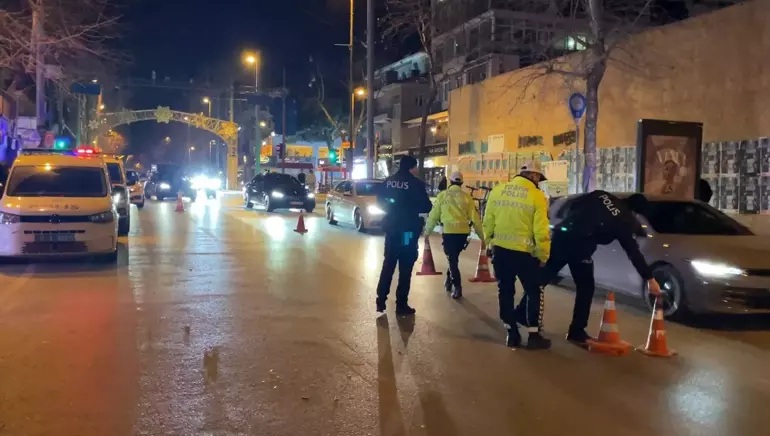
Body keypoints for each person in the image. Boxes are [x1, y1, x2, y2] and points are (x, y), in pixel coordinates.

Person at [540, 191, 662, 345]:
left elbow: (575, 204)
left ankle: (521, 313)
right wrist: (649, 278)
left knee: (546, 275)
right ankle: (577, 331)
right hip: (580, 245)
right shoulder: (624, 220)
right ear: (636, 211)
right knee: (586, 287)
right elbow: (633, 252)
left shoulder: (602, 195)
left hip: (561, 235)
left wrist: (575, 222)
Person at [483, 161, 552, 350]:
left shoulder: (498, 190)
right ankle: (534, 335)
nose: (539, 181)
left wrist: (489, 242)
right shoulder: (537, 196)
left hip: (501, 250)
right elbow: (541, 229)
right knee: (534, 291)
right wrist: (543, 254)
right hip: (525, 254)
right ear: (534, 176)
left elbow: (488, 220)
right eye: (539, 178)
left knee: (505, 291)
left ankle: (511, 333)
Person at [375, 155, 433, 315]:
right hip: (407, 232)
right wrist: (410, 209)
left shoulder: (389, 181)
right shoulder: (416, 184)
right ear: (412, 167)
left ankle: (381, 300)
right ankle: (401, 304)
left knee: (388, 264)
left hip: (392, 229)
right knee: (405, 267)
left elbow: (380, 201)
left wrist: (393, 209)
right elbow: (427, 206)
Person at [425, 171, 483, 299]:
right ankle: (449, 280)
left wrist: (427, 231)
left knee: (452, 259)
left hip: (449, 233)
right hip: (462, 234)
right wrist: (482, 236)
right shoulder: (467, 197)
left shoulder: (442, 196)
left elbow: (433, 216)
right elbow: (475, 218)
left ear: (450, 182)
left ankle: (457, 286)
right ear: (461, 183)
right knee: (453, 258)